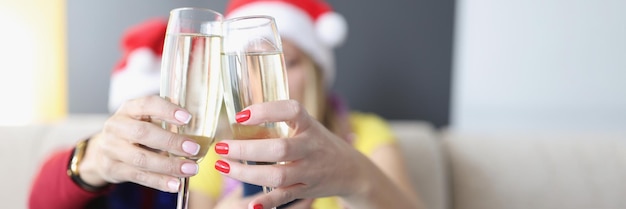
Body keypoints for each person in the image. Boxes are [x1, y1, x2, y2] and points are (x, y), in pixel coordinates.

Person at [28, 0, 424, 208]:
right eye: (247, 61)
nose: (271, 76)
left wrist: (355, 175)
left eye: (292, 62)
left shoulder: (363, 134)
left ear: (318, 72)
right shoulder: (217, 145)